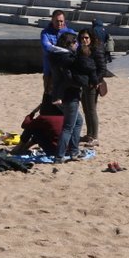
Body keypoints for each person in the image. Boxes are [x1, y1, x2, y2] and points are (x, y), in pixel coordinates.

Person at [46, 30, 85, 162]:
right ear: (69, 44)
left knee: (78, 121)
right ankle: (60, 156)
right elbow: (69, 78)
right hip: (68, 95)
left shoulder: (56, 56)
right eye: (75, 43)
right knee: (68, 126)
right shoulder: (66, 59)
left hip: (58, 95)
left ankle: (74, 151)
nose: (77, 45)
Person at [75, 27, 108, 149]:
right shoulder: (80, 49)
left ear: (91, 38)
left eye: (86, 38)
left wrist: (95, 82)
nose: (84, 40)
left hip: (92, 84)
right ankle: (89, 134)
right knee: (86, 109)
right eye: (82, 38)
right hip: (84, 83)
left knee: (92, 110)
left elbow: (102, 69)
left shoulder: (97, 50)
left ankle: (95, 137)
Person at [40, 10, 76, 95]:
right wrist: (67, 50)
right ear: (52, 20)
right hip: (50, 72)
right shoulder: (45, 33)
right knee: (49, 98)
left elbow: (76, 48)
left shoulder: (71, 32)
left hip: (68, 71)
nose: (59, 23)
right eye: (57, 21)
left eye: (61, 21)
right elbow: (47, 48)